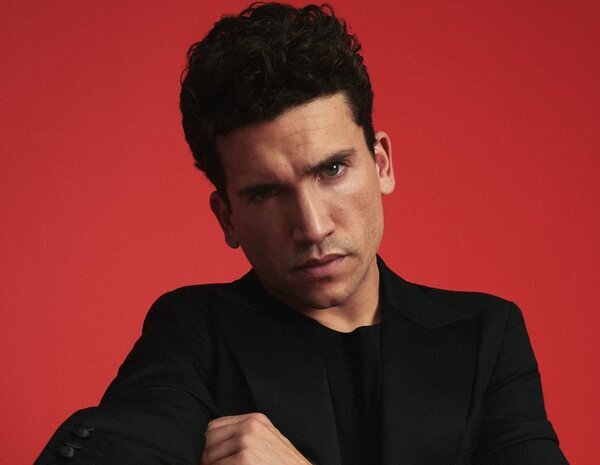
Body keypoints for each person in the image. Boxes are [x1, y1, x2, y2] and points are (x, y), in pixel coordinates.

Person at [35, 3, 568, 465]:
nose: (312, 226)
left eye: (332, 169)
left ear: (382, 163)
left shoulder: (485, 335)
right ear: (227, 217)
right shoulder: (195, 334)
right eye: (266, 193)